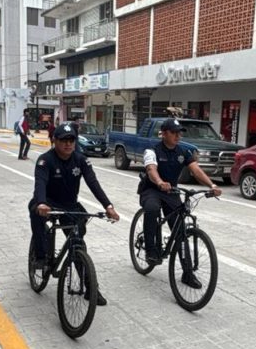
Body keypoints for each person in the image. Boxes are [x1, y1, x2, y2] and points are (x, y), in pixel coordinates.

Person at [30, 123, 120, 305]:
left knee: (78, 242)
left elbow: (93, 183)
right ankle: (40, 256)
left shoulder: (81, 160)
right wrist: (41, 202)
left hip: (70, 205)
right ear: (54, 140)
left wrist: (108, 206)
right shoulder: (45, 160)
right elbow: (40, 183)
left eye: (71, 140)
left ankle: (91, 289)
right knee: (36, 215)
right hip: (47, 203)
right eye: (63, 140)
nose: (68, 144)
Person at [140, 118, 222, 288]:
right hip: (152, 190)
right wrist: (160, 182)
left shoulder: (183, 151)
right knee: (152, 209)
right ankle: (150, 249)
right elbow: (151, 169)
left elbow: (196, 170)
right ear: (164, 133)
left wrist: (211, 185)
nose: (178, 136)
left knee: (180, 231)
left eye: (179, 133)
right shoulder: (152, 150)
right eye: (174, 133)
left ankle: (187, 273)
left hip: (171, 192)